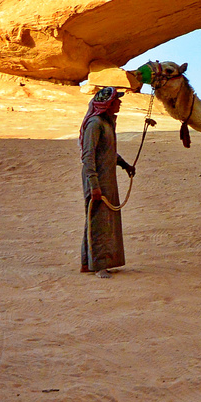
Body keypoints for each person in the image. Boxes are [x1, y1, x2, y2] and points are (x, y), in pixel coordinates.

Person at [79, 87, 134, 278]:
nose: (120, 102)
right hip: (97, 179)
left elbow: (107, 151)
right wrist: (94, 185)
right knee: (98, 220)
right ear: (108, 104)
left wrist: (123, 164)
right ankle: (98, 265)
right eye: (117, 100)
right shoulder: (95, 124)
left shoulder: (107, 123)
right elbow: (88, 156)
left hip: (108, 179)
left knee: (106, 219)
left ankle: (92, 262)